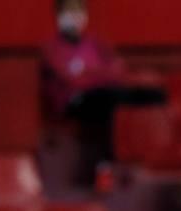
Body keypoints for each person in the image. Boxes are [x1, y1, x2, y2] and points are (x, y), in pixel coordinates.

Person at [41, 0, 165, 181]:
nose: (75, 17)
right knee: (111, 100)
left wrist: (89, 73)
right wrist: (98, 74)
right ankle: (107, 163)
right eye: (70, 12)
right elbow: (72, 80)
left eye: (79, 12)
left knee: (153, 95)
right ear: (58, 15)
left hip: (105, 92)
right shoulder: (52, 48)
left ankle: (151, 155)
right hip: (75, 101)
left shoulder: (94, 43)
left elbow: (117, 71)